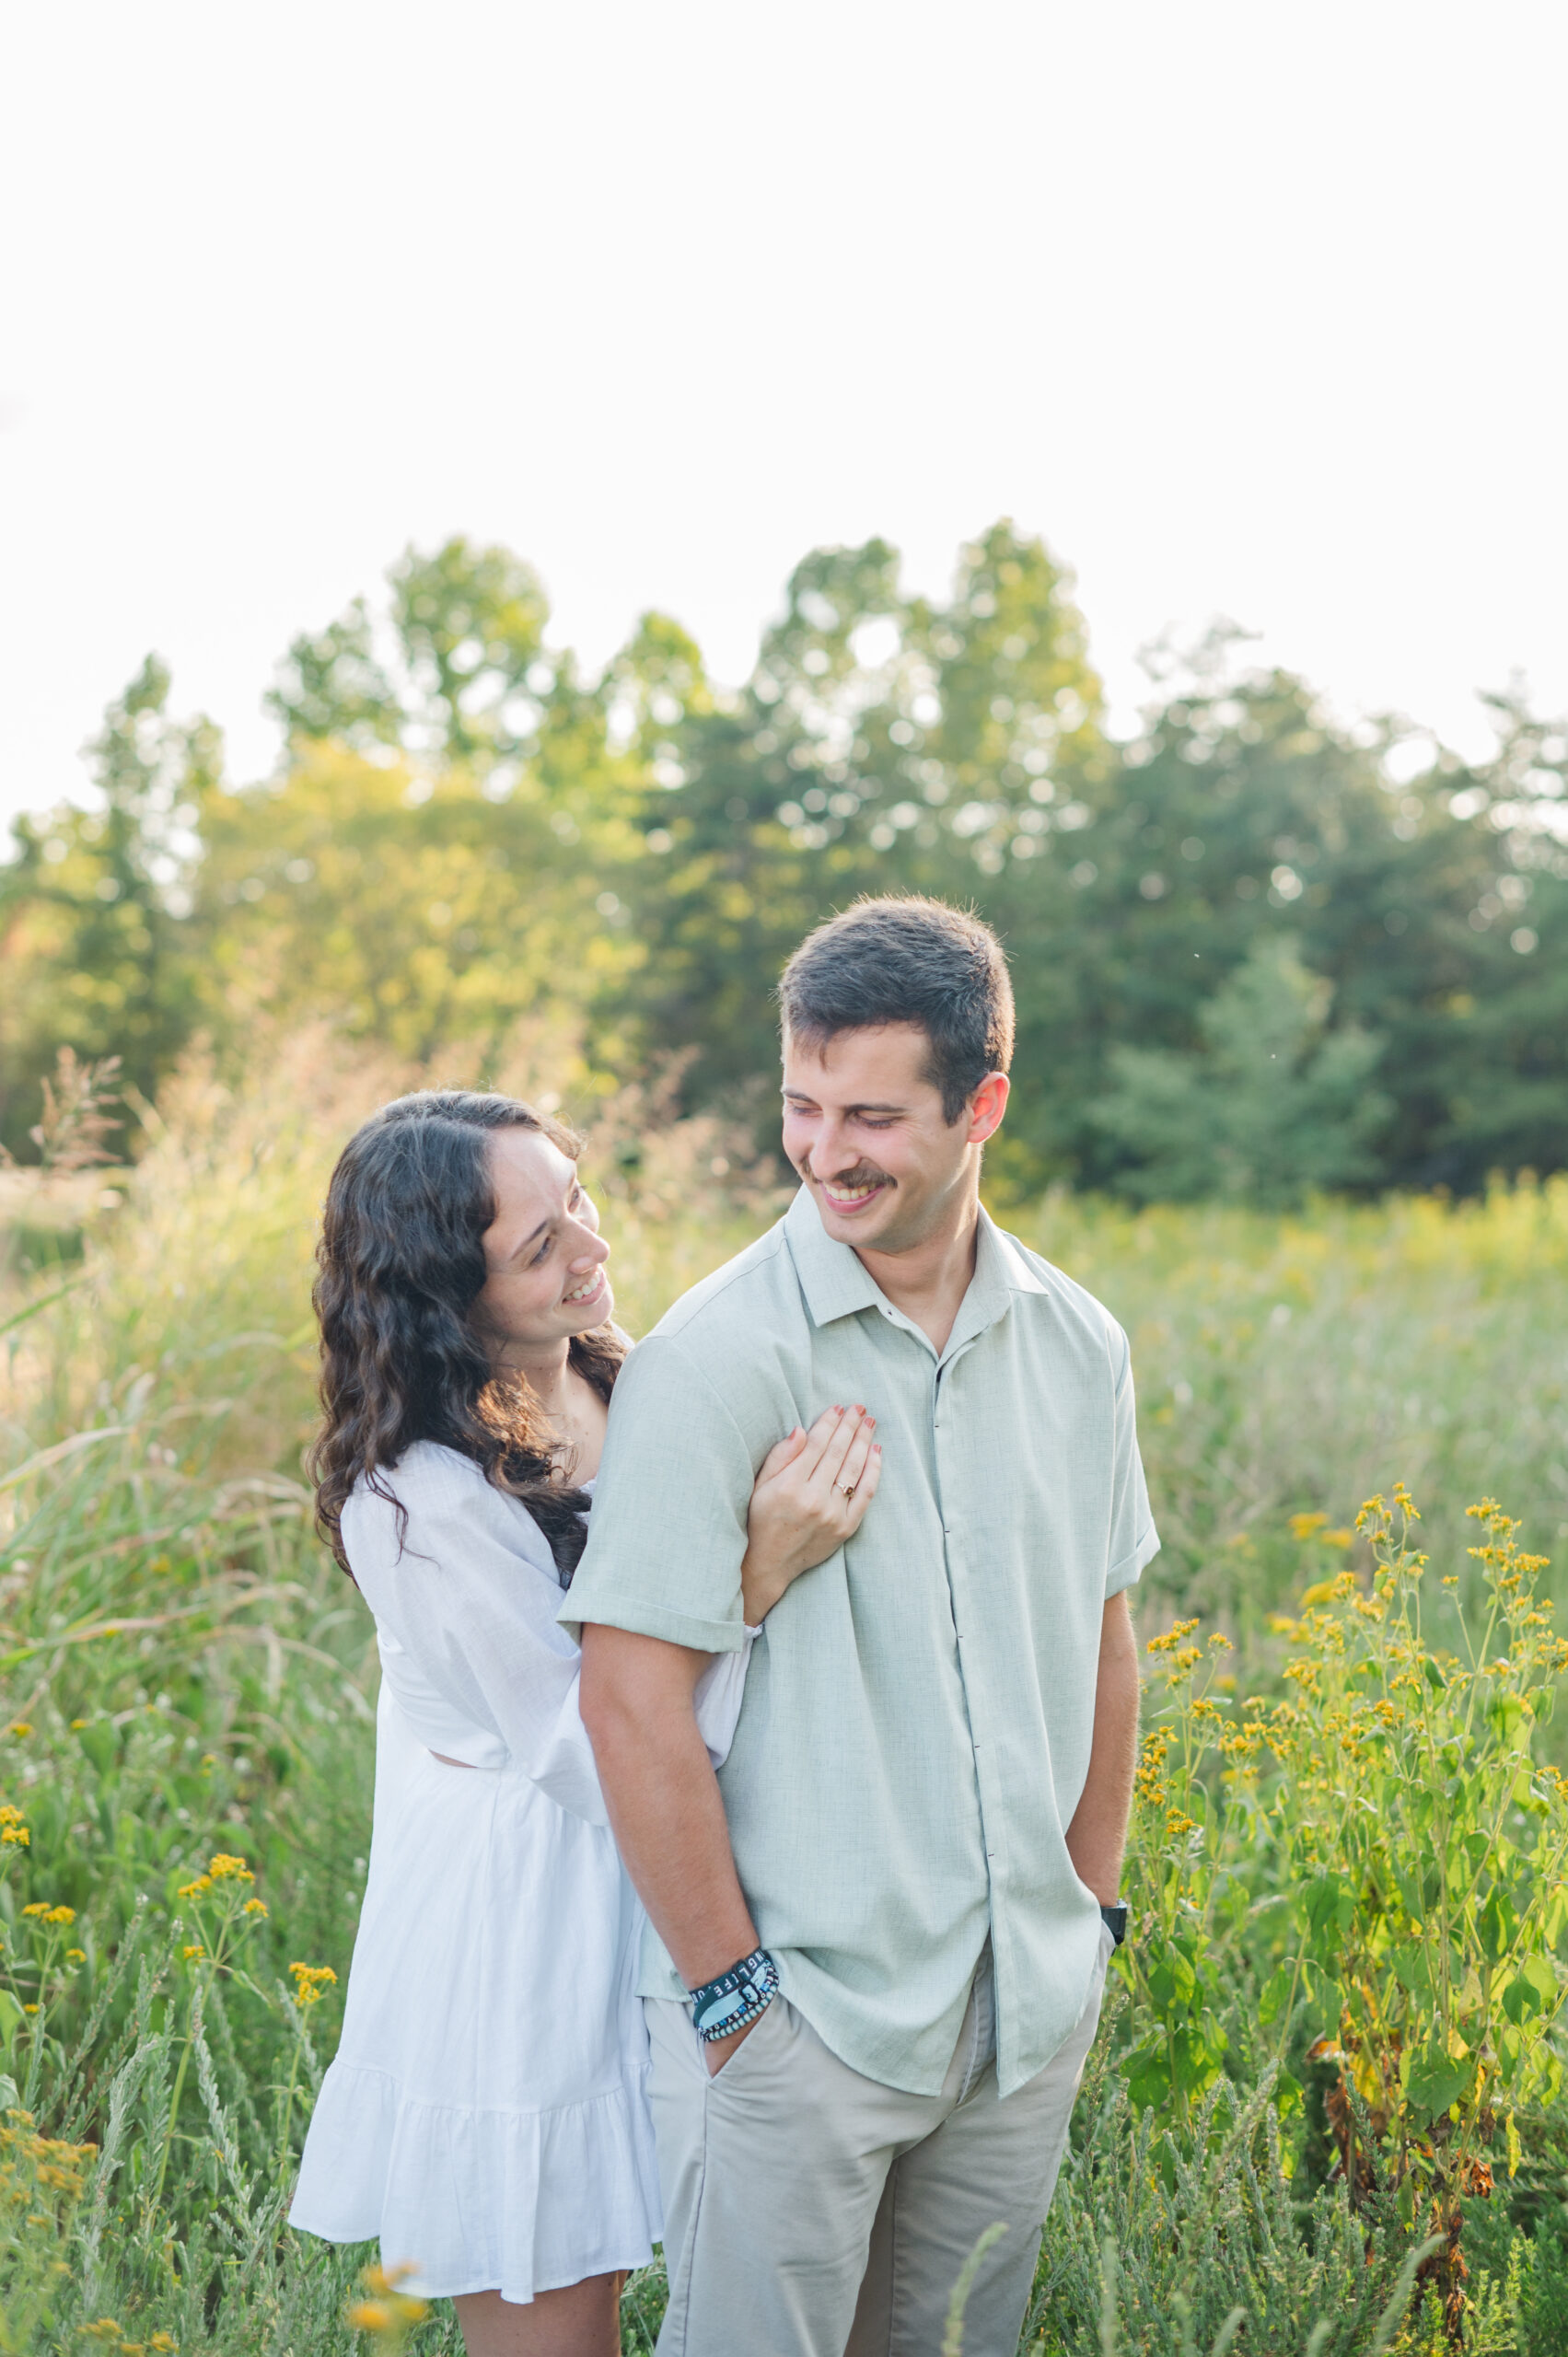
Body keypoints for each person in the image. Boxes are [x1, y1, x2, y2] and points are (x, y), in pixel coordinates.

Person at [568, 896, 1157, 2357]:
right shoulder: (713, 1361)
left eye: (876, 1116)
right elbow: (626, 1702)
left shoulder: (1081, 1346)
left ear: (984, 1107)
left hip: (1019, 2017)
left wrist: (1083, 1917)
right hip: (802, 2028)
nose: (830, 1152)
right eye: (803, 1106)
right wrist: (736, 2006)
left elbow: (1103, 1638)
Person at [288, 1089, 882, 2357]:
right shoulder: (421, 1501)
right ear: (445, 1295)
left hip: (672, 1866)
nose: (591, 1252)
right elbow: (583, 1745)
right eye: (539, 1248)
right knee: (560, 2315)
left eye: (582, 1204)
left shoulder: (632, 1378)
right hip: (529, 1922)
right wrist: (758, 1571)